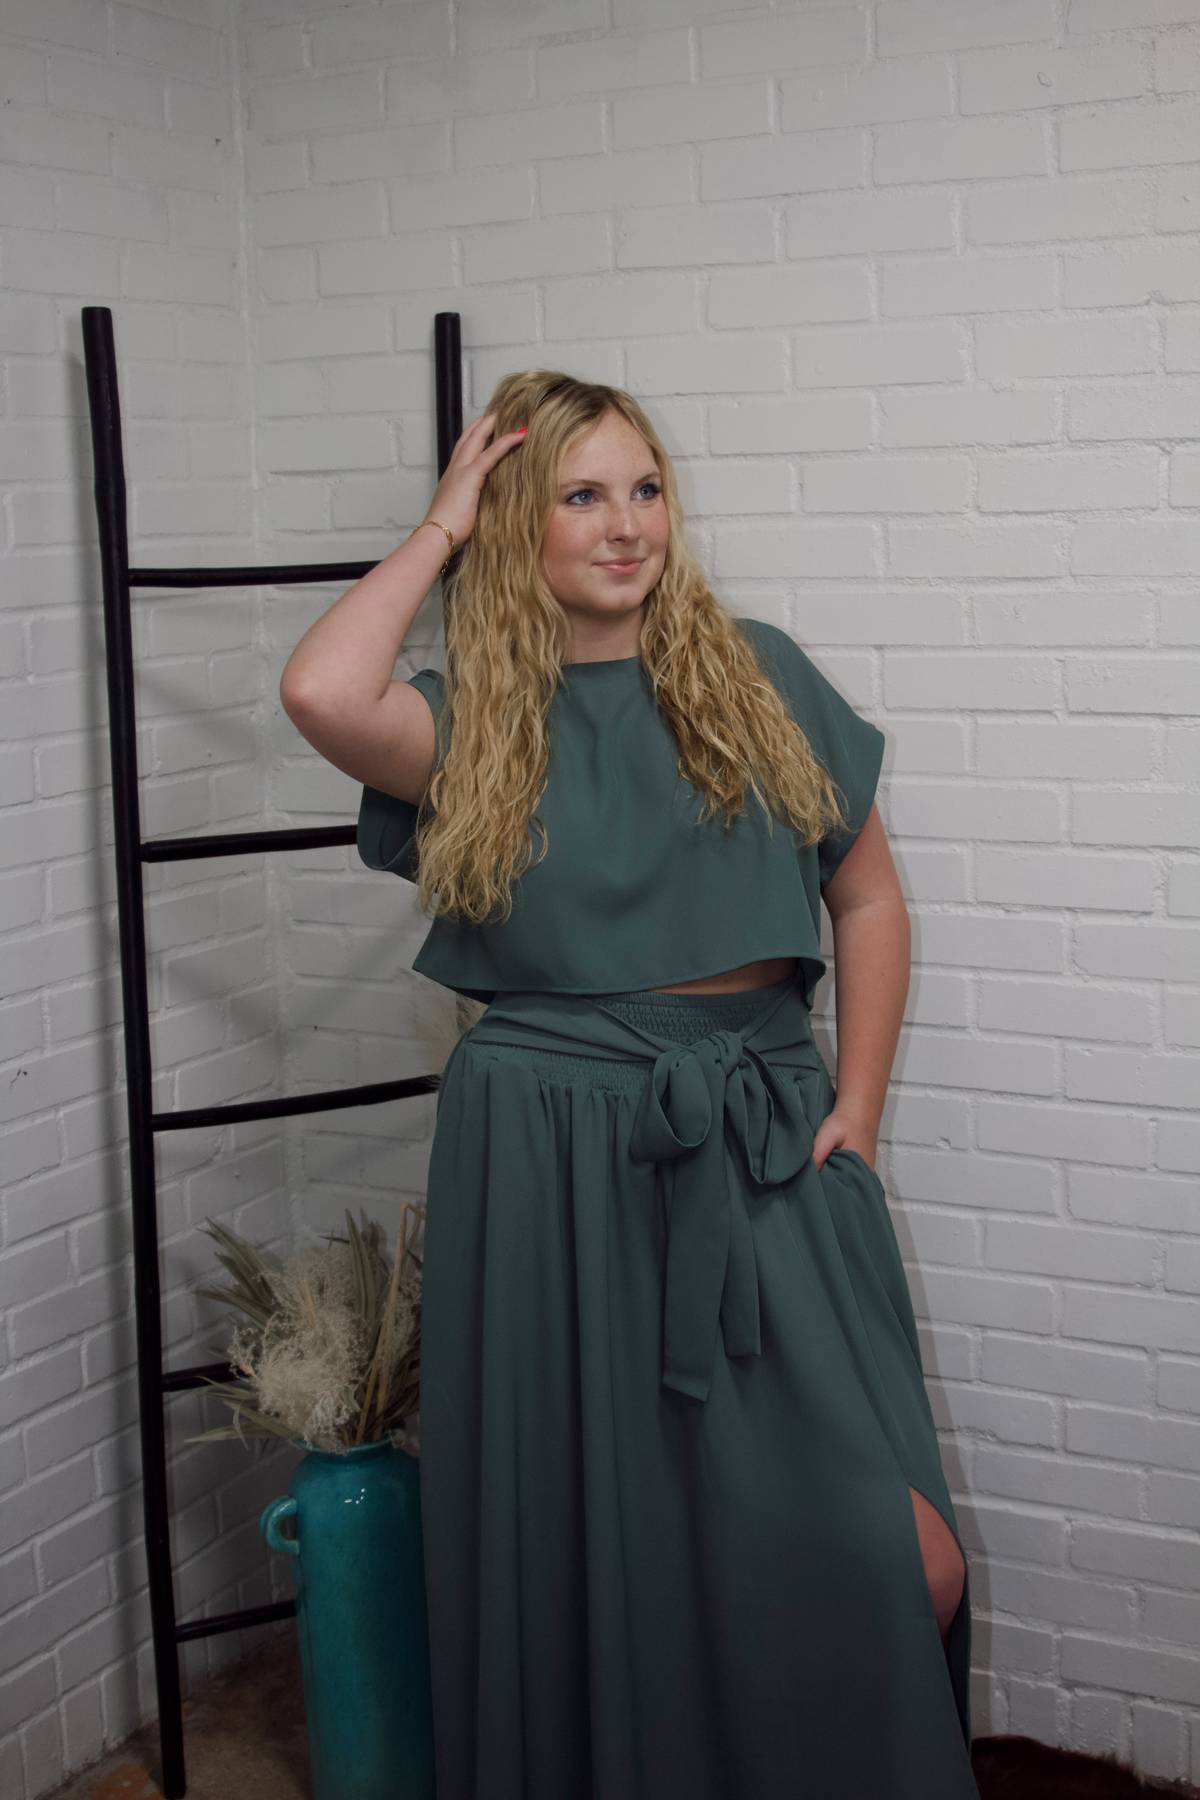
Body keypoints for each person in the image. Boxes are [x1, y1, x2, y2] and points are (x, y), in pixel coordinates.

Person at [279, 372, 980, 1800]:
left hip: (757, 1133)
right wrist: (443, 524)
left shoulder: (760, 676)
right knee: (599, 1537)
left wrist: (856, 1108)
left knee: (906, 1557)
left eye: (646, 489)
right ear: (516, 525)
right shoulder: (474, 716)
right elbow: (319, 690)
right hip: (544, 1153)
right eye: (582, 495)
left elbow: (868, 898)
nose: (626, 525)